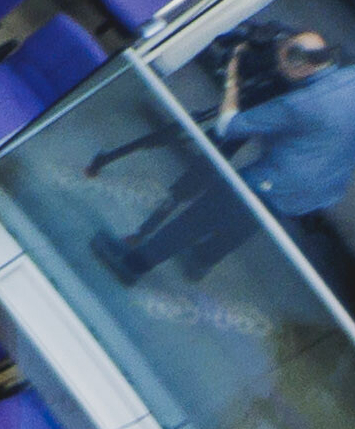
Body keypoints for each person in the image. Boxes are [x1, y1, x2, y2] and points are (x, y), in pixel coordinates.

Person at [102, 25, 355, 283]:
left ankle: (133, 264)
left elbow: (229, 127)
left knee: (204, 214)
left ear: (299, 64)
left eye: (282, 62)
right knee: (249, 221)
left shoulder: (300, 104)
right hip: (321, 188)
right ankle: (202, 259)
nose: (279, 68)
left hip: (273, 181)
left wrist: (233, 75)